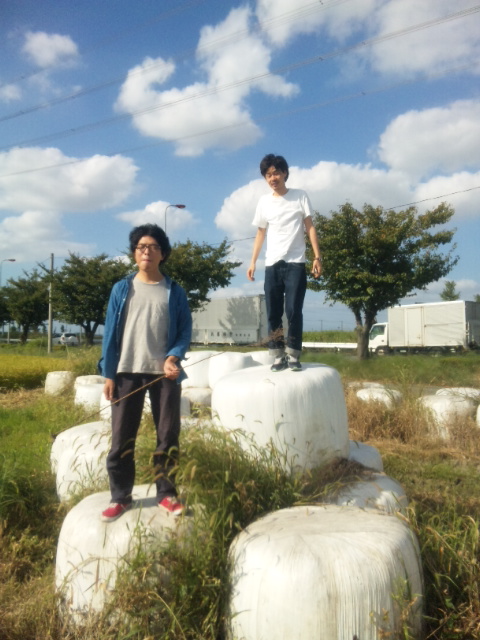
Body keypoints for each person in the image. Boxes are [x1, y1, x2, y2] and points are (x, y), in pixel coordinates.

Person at [99, 223, 192, 522]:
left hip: (164, 375)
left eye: (153, 247)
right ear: (134, 253)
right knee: (121, 438)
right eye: (141, 247)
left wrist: (173, 357)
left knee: (167, 435)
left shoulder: (174, 291)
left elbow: (184, 331)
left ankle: (166, 493)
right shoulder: (121, 289)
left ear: (163, 254)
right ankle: (120, 496)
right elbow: (110, 333)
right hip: (126, 372)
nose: (146, 251)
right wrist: (109, 374)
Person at [247, 153, 322, 372]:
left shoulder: (300, 196)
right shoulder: (264, 202)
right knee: (273, 312)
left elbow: (309, 226)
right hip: (272, 264)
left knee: (293, 310)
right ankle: (277, 355)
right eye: (268, 175)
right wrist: (252, 262)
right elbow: (260, 233)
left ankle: (293, 354)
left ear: (285, 173)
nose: (273, 178)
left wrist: (317, 256)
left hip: (295, 263)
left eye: (276, 173)